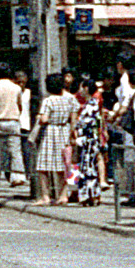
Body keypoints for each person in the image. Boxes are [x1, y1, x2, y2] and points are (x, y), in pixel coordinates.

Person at [34, 73, 77, 204]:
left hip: (51, 132)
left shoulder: (48, 100)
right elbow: (74, 118)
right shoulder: (70, 99)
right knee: (63, 164)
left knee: (43, 165)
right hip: (64, 130)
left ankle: (45, 196)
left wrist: (39, 118)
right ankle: (63, 195)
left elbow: (44, 118)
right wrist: (71, 132)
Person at [0, 67, 24, 190]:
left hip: (0, 121)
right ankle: (17, 177)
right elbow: (20, 105)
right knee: (15, 151)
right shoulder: (17, 88)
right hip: (13, 121)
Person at [69, 79, 104, 207]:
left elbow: (86, 122)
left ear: (86, 88)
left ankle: (89, 195)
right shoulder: (91, 103)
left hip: (89, 139)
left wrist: (75, 127)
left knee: (88, 168)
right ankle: (91, 195)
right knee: (87, 167)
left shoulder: (91, 104)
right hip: (88, 139)